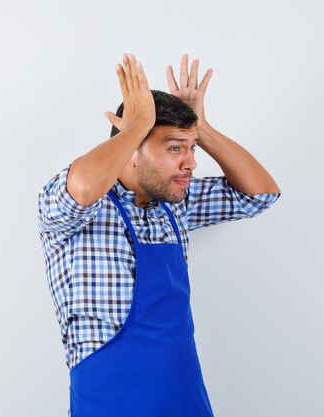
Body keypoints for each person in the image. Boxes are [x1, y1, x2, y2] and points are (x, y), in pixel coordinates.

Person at [38, 53, 281, 417]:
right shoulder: (77, 209)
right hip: (110, 403)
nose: (191, 163)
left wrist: (202, 127)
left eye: (191, 148)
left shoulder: (175, 203)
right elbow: (83, 187)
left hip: (184, 397)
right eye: (174, 148)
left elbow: (261, 195)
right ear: (132, 153)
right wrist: (136, 127)